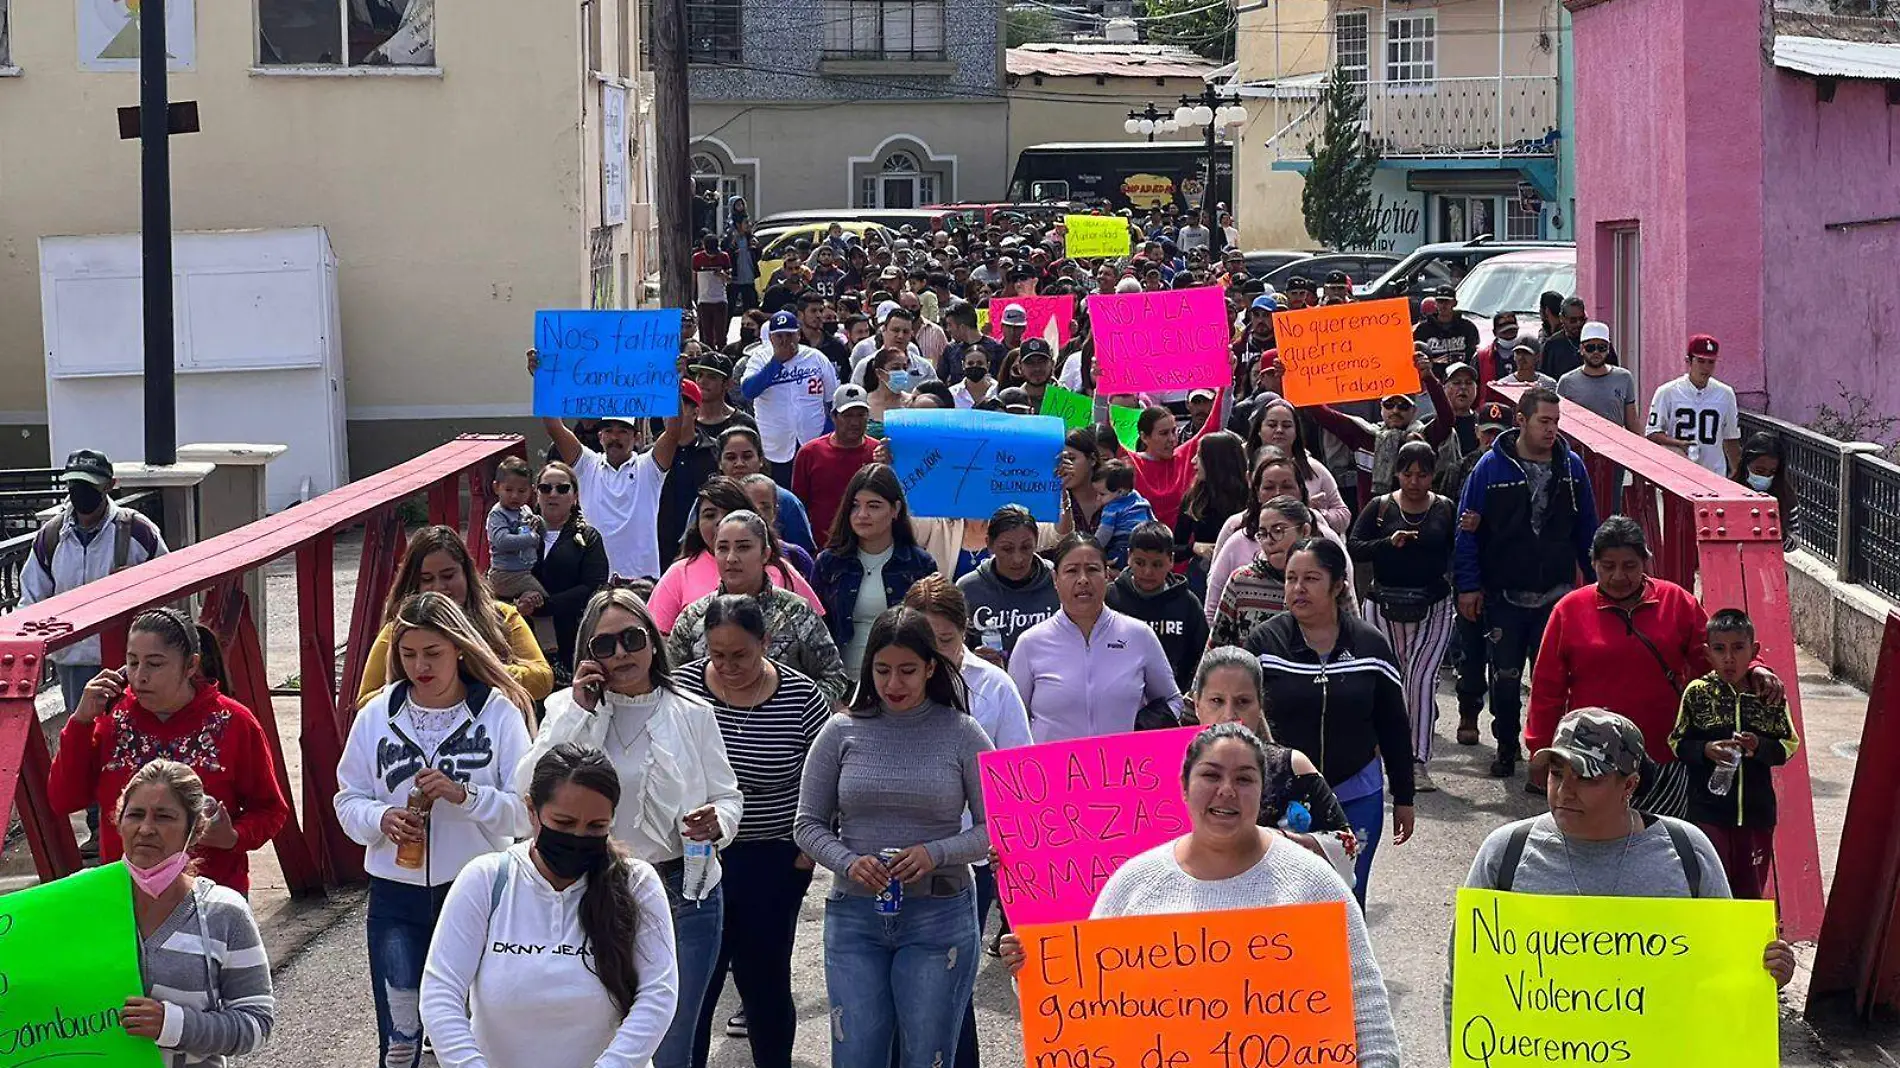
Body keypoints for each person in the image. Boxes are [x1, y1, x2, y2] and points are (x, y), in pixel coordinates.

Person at [998, 723, 1402, 1068]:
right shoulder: (1135, 883)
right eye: (1211, 775)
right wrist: (1031, 971)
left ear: (1262, 791)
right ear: (1184, 786)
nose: (1227, 790)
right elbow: (1083, 1005)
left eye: (1244, 779)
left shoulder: (1312, 883)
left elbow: (1367, 1011)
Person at [1453, 708, 1796, 1043]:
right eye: (1557, 773)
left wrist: (1764, 972)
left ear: (1629, 784)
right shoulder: (1506, 853)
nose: (1564, 791)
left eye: (1587, 777)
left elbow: (1724, 971)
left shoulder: (1687, 851)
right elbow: (1463, 982)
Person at [520, 589, 744, 1068]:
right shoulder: (567, 709)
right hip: (594, 887)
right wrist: (580, 711)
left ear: (653, 642)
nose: (621, 653)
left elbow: (728, 796)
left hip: (685, 892)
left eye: (632, 638)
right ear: (588, 655)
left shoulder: (692, 712)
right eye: (605, 645)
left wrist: (717, 821)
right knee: (596, 1037)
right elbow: (528, 786)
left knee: (673, 1041)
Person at [335, 592, 536, 1068]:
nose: (420, 665)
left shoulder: (500, 713)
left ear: (460, 649)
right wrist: (380, 819)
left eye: (433, 653)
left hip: (480, 893)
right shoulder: (375, 715)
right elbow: (346, 799)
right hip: (395, 896)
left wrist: (465, 796)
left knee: (476, 1038)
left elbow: (528, 813)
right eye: (408, 654)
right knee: (400, 1042)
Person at [793, 607, 994, 1068]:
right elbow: (807, 824)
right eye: (882, 670)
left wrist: (935, 852)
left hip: (939, 912)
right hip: (855, 915)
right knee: (856, 1053)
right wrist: (848, 861)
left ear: (930, 667)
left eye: (906, 670)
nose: (893, 684)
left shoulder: (962, 733)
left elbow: (994, 828)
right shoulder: (840, 731)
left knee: (927, 1054)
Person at [422, 742, 680, 1068]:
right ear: (532, 810)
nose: (578, 836)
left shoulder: (637, 884)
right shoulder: (486, 880)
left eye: (596, 827)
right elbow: (440, 992)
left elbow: (658, 994)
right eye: (564, 822)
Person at [667, 595, 832, 1068]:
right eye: (717, 654)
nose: (728, 665)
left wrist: (807, 850)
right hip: (695, 857)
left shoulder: (802, 697)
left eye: (740, 654)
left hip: (773, 856)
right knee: (695, 982)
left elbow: (827, 777)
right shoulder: (683, 688)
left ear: (766, 642)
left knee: (765, 980)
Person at [1525, 516, 1784, 806]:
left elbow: (1715, 654)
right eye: (1608, 567)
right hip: (1592, 760)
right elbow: (1547, 688)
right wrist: (1540, 748)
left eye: (1630, 566)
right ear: (1593, 564)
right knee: (1596, 836)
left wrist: (1755, 667)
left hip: (1665, 755)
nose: (1619, 576)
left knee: (1662, 842)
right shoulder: (1569, 610)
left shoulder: (1676, 602)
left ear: (1645, 561)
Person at [48, 607, 290, 896]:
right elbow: (63, 799)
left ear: (190, 665)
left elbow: (270, 810)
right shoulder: (111, 720)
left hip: (210, 900)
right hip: (126, 899)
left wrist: (233, 837)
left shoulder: (235, 723)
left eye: (155, 664)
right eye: (132, 662)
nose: (140, 677)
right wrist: (80, 722)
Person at [1243, 538, 1415, 903]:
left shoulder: (1371, 645)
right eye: (1290, 578)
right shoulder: (1263, 643)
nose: (1298, 588)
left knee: (1348, 895)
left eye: (1311, 578)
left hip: (1356, 793)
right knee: (1283, 901)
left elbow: (1394, 725)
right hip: (1281, 798)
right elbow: (1236, 717)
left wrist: (1404, 796)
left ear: (1338, 585)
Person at [905, 577, 1032, 1068]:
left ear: (963, 632)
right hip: (898, 856)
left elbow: (1019, 773)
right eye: (923, 641)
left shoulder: (994, 687)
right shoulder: (890, 683)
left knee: (950, 982)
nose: (935, 655)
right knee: (906, 983)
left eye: (946, 641)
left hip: (968, 860)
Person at [1454, 387, 1598, 780]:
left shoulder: (1572, 469)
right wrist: (1468, 586)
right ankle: (1505, 745)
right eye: (1543, 421)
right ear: (1522, 420)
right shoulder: (1490, 467)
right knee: (1505, 675)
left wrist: (1601, 587)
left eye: (1556, 422)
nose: (1551, 430)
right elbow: (1466, 531)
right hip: (1504, 593)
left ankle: (1547, 756)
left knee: (1552, 679)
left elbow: (1588, 531)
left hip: (1556, 594)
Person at [19, 448, 168, 801]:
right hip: (74, 660)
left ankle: (129, 814)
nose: (80, 494)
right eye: (74, 485)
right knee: (86, 742)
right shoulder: (52, 535)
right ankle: (96, 822)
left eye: (88, 486)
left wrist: (137, 585)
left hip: (126, 661)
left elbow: (167, 583)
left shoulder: (136, 531)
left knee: (130, 741)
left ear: (109, 486)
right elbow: (31, 595)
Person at [117, 760, 276, 1068]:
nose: (146, 828)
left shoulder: (224, 912)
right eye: (135, 814)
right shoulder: (83, 902)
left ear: (193, 830)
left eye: (164, 817)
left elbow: (256, 1024)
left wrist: (172, 1025)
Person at [1189, 649, 1358, 881]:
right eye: (1217, 701)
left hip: (1273, 909)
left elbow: (1345, 847)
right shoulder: (1163, 768)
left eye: (1242, 702)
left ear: (1259, 706)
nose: (1229, 714)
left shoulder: (1291, 766)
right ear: (1197, 704)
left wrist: (1273, 841)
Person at [1348, 441, 1458, 793]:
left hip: (1434, 605)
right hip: (1383, 605)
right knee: (1388, 682)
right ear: (1397, 473)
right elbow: (1355, 546)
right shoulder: (1380, 507)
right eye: (1408, 473)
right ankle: (1378, 757)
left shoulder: (1444, 508)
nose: (1414, 481)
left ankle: (1415, 762)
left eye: (1422, 474)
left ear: (1432, 475)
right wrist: (1387, 543)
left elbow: (1460, 551)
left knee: (1422, 680)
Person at [1668, 608, 1799, 899]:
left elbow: (1788, 746)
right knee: (1710, 886)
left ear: (1753, 651)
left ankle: (1748, 944)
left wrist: (1758, 748)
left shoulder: (1769, 694)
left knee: (1750, 890)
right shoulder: (1697, 692)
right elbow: (1678, 742)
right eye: (1720, 649)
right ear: (1707, 653)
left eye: (1738, 648)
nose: (1729, 658)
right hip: (1707, 813)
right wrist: (1705, 750)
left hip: (1756, 814)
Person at [531, 349, 695, 580]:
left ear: (637, 438)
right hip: (593, 577)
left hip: (641, 578)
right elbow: (554, 427)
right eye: (608, 431)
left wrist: (674, 384)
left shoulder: (648, 468)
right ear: (600, 437)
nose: (615, 437)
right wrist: (543, 381)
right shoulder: (587, 466)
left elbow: (673, 431)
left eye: (623, 431)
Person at [356, 526, 555, 708]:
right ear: (414, 584)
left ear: (466, 574)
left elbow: (543, 680)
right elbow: (365, 702)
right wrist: (416, 685)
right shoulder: (399, 629)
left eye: (448, 576)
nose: (440, 588)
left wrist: (479, 669)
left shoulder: (502, 616)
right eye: (427, 580)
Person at [1009, 534, 1181, 742]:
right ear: (1055, 579)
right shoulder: (1030, 643)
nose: (1083, 579)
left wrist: (1148, 732)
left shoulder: (1139, 635)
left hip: (1125, 768)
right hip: (1054, 770)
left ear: (1107, 575)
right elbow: (1013, 719)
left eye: (1092, 570)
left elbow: (1172, 700)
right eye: (1072, 571)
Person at [669, 510, 850, 707]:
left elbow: (834, 677)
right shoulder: (694, 617)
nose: (731, 558)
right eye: (722, 548)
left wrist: (794, 712)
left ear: (766, 554)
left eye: (743, 547)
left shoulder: (796, 613)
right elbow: (671, 681)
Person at [646, 477, 823, 633]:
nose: (720, 522)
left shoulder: (780, 568)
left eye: (729, 514)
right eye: (709, 515)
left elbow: (815, 627)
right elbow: (659, 639)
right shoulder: (679, 573)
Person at [812, 464, 939, 675]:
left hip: (899, 684)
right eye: (855, 505)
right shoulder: (829, 563)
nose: (862, 514)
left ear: (895, 509)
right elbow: (815, 631)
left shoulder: (919, 564)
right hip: (841, 683)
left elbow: (930, 632)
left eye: (874, 506)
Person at [1209, 497, 1353, 648]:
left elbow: (1354, 643)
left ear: (1304, 531)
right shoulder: (1241, 581)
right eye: (1263, 534)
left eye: (1278, 531)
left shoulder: (1330, 581)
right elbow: (1216, 649)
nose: (1269, 541)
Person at [525, 460, 610, 674]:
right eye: (545, 488)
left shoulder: (588, 537)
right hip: (525, 634)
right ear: (537, 494)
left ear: (575, 497)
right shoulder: (516, 534)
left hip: (571, 636)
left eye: (562, 489)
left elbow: (593, 586)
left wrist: (545, 605)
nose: (553, 494)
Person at [1107, 522, 1209, 692]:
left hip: (1172, 700)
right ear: (1129, 557)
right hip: (1117, 696)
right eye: (1140, 563)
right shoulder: (1110, 599)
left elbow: (1202, 656)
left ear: (1171, 561)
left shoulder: (1187, 603)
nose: (1148, 572)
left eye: (1157, 564)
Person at [741, 310, 839, 486]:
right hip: (774, 445)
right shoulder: (760, 358)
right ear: (771, 338)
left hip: (813, 442)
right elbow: (748, 390)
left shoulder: (816, 358)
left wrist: (827, 435)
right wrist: (776, 362)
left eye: (789, 335)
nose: (785, 341)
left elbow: (832, 400)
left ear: (799, 335)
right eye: (779, 336)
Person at [952, 505, 1062, 662]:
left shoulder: (1057, 581)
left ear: (1036, 542)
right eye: (1007, 549)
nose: (1018, 558)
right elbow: (952, 651)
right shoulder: (967, 589)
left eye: (1026, 547)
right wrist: (972, 661)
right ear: (989, 545)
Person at [1246, 398, 1352, 533]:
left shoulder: (1314, 469)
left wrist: (1312, 512)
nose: (1279, 430)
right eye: (1272, 425)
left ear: (1296, 432)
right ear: (1259, 430)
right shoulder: (1244, 465)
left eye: (1287, 425)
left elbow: (1344, 516)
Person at [1646, 333, 1742, 477]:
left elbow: (1731, 438)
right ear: (1689, 361)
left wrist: (1737, 473)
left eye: (1711, 362)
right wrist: (1678, 443)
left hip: (1714, 474)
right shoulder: (1667, 392)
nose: (1706, 367)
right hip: (1676, 474)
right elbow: (1652, 433)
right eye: (1701, 361)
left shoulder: (1726, 394)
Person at [793, 384, 882, 537]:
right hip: (823, 545)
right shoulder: (809, 453)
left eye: (860, 415)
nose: (854, 422)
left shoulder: (878, 453)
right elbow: (799, 506)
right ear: (834, 417)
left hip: (868, 541)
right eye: (847, 415)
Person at [1126, 395, 1224, 533]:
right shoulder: (1131, 463)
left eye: (1174, 431)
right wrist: (1101, 387)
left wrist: (1228, 383)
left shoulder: (1185, 456)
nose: (1172, 439)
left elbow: (1215, 423)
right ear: (1144, 437)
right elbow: (1102, 431)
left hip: (1185, 548)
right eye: (1164, 433)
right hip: (1145, 548)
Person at [716, 426, 818, 554]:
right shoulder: (711, 500)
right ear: (719, 463)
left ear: (760, 460)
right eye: (731, 458)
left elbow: (803, 552)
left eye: (747, 457)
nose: (739, 463)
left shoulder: (786, 501)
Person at [1172, 430, 1249, 585]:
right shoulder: (1194, 498)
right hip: (1203, 574)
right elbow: (1173, 550)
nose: (1193, 461)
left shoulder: (1249, 497)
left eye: (1199, 456)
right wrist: (1193, 547)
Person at [1555, 321, 1642, 432]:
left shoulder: (1624, 378)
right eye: (1590, 348)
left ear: (1608, 349)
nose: (1596, 352)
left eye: (1601, 347)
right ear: (1581, 349)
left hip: (1614, 446)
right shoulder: (1567, 382)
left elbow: (1632, 422)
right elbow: (1561, 422)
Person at [484, 455, 547, 606]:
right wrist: (532, 538)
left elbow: (541, 534)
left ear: (531, 491)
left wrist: (540, 523)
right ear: (496, 488)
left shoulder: (525, 509)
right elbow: (502, 541)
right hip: (506, 574)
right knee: (543, 600)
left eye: (521, 491)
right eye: (508, 489)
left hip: (524, 570)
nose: (514, 496)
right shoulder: (497, 514)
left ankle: (520, 603)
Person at [1736, 432, 1799, 551]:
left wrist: (1777, 531)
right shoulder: (1729, 493)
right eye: (1759, 471)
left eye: (1771, 472)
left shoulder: (1786, 497)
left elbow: (1794, 541)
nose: (1765, 477)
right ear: (1746, 464)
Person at [1090, 459, 1155, 569]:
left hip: (1123, 545)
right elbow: (1153, 521)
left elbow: (1104, 532)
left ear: (1121, 491)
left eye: (1102, 494)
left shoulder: (1111, 508)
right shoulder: (1139, 499)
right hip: (1146, 543)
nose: (1098, 498)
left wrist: (1092, 549)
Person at [1413, 284, 1480, 376]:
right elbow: (1417, 356)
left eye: (1447, 301)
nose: (1443, 305)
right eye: (1440, 301)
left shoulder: (1468, 327)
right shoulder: (1423, 329)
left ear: (1454, 303)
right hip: (1433, 379)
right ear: (1435, 303)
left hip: (1461, 378)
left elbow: (1473, 356)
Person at [1058, 428, 1107, 536]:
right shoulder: (1054, 504)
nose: (1064, 467)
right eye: (1059, 461)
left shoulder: (1116, 496)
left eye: (1071, 459)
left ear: (1093, 459)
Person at [859, 346, 915, 439]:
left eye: (904, 368)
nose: (902, 372)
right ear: (879, 373)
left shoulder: (912, 402)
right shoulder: (864, 402)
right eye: (896, 368)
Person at [693, 234, 733, 349]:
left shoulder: (724, 257)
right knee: (706, 336)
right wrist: (693, 297)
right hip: (704, 300)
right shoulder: (697, 258)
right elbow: (694, 278)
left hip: (720, 300)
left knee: (721, 336)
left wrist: (721, 274)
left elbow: (730, 279)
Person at [1537, 296, 1589, 379]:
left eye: (1582, 319)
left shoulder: (1596, 341)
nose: (1578, 324)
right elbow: (1545, 379)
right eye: (1573, 320)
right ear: (1562, 318)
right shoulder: (1552, 344)